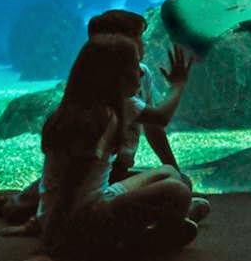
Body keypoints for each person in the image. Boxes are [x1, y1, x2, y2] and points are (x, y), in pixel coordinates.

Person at [0, 10, 210, 228]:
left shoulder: (139, 74)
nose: (143, 44)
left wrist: (176, 172)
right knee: (18, 210)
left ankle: (40, 205)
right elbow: (159, 118)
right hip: (91, 180)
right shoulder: (105, 94)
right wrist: (178, 85)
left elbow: (154, 128)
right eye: (138, 37)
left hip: (111, 173)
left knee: (177, 183)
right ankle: (12, 200)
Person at [36, 34, 197, 258]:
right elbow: (70, 186)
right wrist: (50, 244)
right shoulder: (96, 121)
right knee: (176, 191)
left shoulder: (102, 109)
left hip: (96, 199)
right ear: (114, 76)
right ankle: (139, 243)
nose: (141, 72)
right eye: (134, 66)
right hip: (78, 219)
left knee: (169, 172)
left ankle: (163, 225)